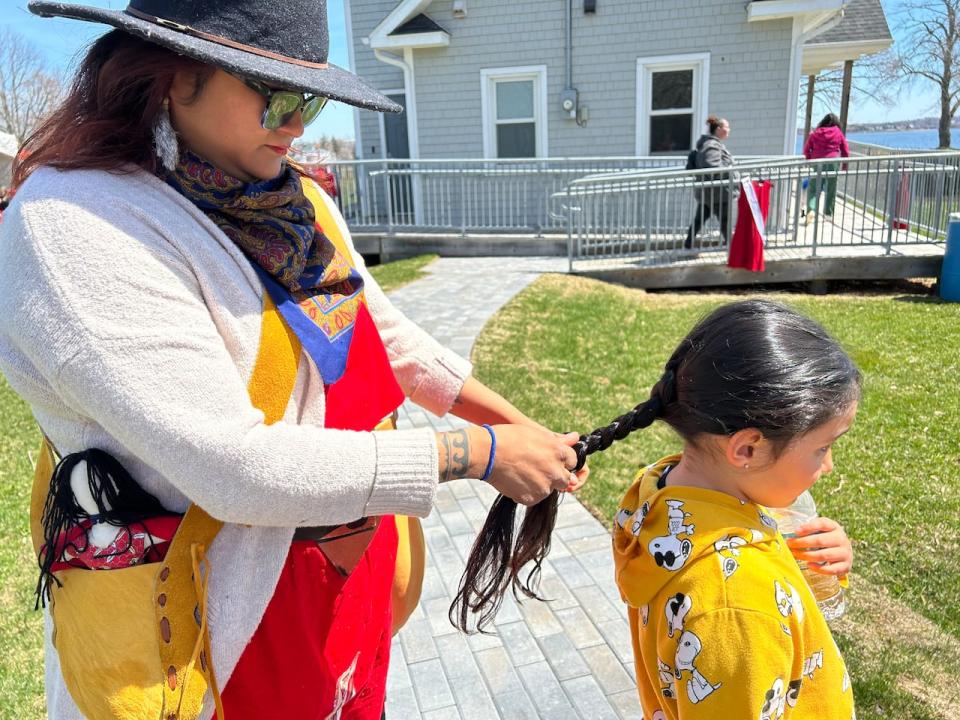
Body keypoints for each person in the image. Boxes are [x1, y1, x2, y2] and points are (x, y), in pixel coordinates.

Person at [0, 1, 587, 718]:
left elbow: (383, 333)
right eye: (277, 95)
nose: (300, 124)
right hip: (212, 623)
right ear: (175, 75)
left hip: (339, 576)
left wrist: (520, 428)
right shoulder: (78, 223)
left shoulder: (290, 197)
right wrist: (476, 452)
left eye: (310, 98)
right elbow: (233, 469)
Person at [571, 299, 858, 719]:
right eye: (823, 447)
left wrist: (821, 566)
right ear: (746, 448)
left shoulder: (661, 492)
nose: (828, 466)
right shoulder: (735, 611)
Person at [684, 116, 738, 250]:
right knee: (725, 221)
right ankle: (733, 250)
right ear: (718, 129)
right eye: (727, 127)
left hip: (711, 192)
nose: (729, 130)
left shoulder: (712, 144)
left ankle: (688, 243)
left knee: (700, 219)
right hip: (717, 193)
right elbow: (712, 167)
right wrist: (729, 168)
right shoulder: (711, 145)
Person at [803, 113, 850, 224]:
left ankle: (811, 210)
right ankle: (828, 214)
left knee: (814, 189)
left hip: (817, 162)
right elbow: (845, 151)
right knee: (831, 189)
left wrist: (810, 160)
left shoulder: (815, 133)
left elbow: (806, 150)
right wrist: (845, 166)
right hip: (833, 162)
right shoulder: (838, 132)